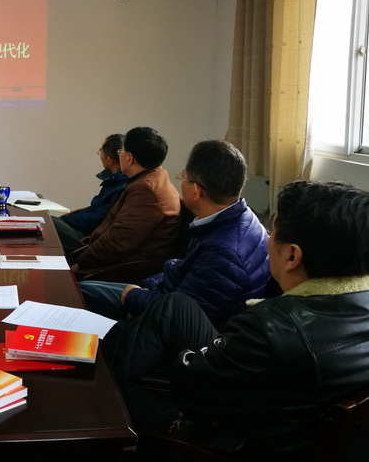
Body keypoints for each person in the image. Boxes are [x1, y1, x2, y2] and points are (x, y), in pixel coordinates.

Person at [105, 180, 369, 459]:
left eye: (273, 231)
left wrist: (192, 357)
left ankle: (104, 398)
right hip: (280, 412)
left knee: (114, 387)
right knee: (176, 306)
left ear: (292, 255)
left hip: (227, 441)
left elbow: (190, 393)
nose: (268, 239)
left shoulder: (269, 328)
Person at [79, 140, 270, 324]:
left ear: (196, 191)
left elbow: (179, 316)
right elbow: (182, 273)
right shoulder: (239, 218)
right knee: (84, 290)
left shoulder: (222, 252)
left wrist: (133, 297)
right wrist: (146, 287)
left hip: (170, 329)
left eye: (183, 178)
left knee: (80, 295)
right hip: (165, 297)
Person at [73, 126, 181, 276]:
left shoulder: (146, 191)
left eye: (121, 152)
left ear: (129, 158)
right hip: (113, 261)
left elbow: (117, 242)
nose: (120, 156)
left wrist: (79, 263)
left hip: (124, 270)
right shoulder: (152, 179)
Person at [52, 133, 127, 254]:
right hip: (84, 227)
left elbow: (95, 219)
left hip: (86, 238)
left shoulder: (120, 186)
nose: (100, 156)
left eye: (100, 152)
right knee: (48, 221)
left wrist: (67, 219)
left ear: (109, 160)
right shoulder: (115, 180)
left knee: (46, 223)